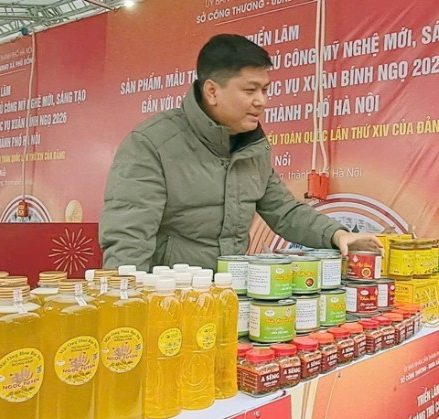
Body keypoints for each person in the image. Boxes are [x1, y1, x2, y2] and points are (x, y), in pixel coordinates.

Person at [99, 35, 381, 270]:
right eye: (250, 90)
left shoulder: (252, 147)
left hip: (230, 295)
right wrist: (128, 308)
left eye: (265, 89)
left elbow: (283, 211)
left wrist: (337, 234)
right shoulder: (151, 144)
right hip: (172, 301)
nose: (262, 101)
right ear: (212, 91)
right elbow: (128, 240)